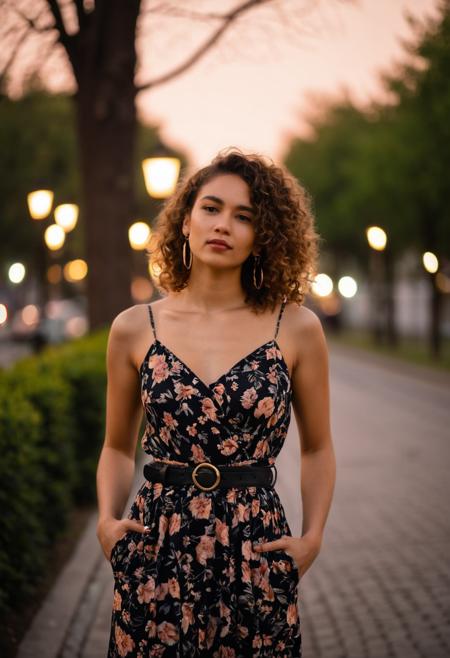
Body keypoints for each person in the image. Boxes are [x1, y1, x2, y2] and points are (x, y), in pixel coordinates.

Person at [96, 148, 336, 657]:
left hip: (257, 548)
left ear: (262, 238)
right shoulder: (134, 328)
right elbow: (118, 446)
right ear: (185, 221)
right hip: (156, 546)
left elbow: (317, 448)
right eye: (211, 208)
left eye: (244, 216)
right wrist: (107, 523)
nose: (223, 224)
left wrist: (312, 538)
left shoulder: (295, 328)